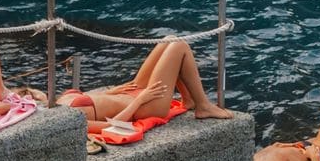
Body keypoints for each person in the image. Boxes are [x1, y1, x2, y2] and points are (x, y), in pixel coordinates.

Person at [57, 38, 233, 128]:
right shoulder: (68, 124)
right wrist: (139, 100)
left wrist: (111, 92)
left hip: (129, 93)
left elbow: (95, 101)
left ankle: (190, 100)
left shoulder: (52, 105)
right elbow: (111, 125)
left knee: (170, 40)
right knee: (179, 47)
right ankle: (203, 106)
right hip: (145, 106)